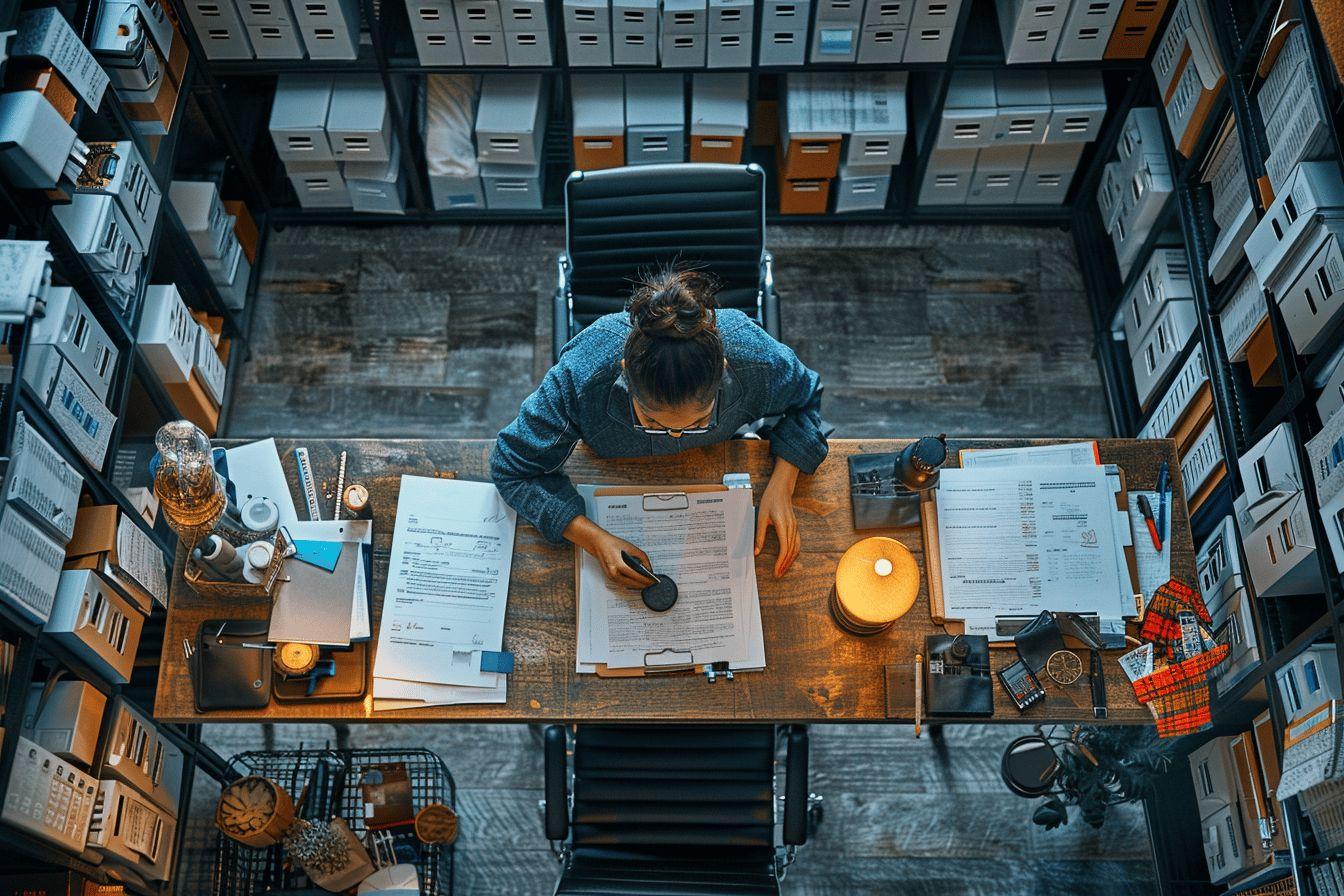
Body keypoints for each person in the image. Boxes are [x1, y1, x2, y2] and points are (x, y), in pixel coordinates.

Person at [491, 265, 828, 588]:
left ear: (724, 372)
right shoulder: (582, 377)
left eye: (699, 421)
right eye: (651, 420)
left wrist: (783, 481)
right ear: (624, 372)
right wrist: (592, 538)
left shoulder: (757, 359)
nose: (676, 435)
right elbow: (510, 466)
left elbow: (807, 398)